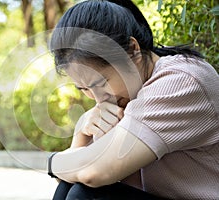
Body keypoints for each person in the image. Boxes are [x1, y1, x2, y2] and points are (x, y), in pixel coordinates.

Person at [47, 0, 219, 199]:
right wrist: (82, 132)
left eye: (101, 82)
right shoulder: (124, 98)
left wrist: (52, 162)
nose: (97, 98)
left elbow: (95, 172)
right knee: (74, 188)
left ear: (133, 49)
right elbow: (70, 176)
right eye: (84, 88)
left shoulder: (180, 82)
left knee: (87, 193)